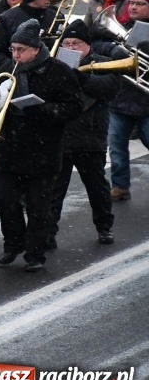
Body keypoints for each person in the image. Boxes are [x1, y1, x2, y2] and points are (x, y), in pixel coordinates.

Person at [0, 19, 83, 272]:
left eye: (21, 50)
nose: (15, 55)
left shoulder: (59, 70)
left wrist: (44, 110)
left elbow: (74, 106)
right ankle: (12, 244)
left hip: (43, 149)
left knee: (39, 206)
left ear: (36, 49)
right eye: (13, 49)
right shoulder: (8, 67)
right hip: (10, 146)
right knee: (4, 199)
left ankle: (35, 252)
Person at [49, 20, 120, 247]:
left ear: (88, 45)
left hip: (90, 136)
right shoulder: (55, 64)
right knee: (54, 190)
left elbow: (108, 88)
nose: (71, 48)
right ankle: (48, 232)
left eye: (76, 43)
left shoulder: (104, 63)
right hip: (61, 136)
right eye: (67, 44)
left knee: (97, 187)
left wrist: (80, 76)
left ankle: (104, 227)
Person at [107, 0, 149, 201]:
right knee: (116, 147)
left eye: (140, 4)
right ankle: (120, 186)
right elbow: (97, 43)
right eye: (131, 3)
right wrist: (112, 50)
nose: (132, 7)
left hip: (146, 102)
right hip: (121, 98)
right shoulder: (121, 29)